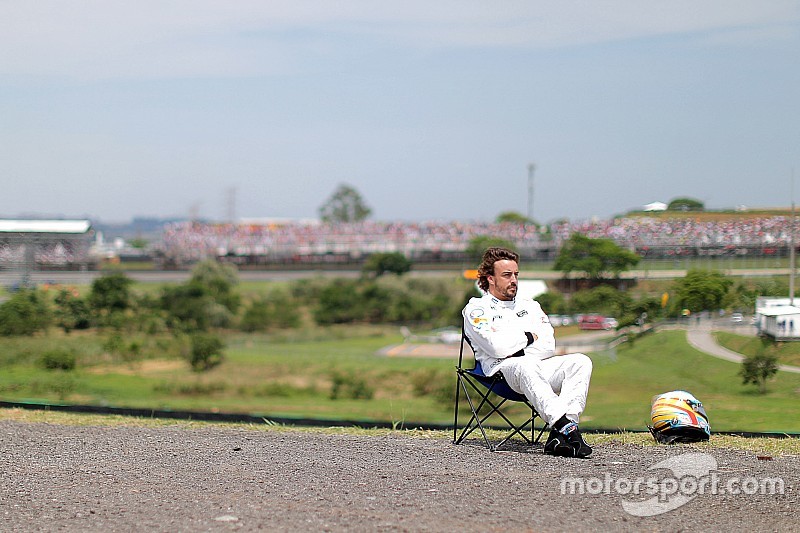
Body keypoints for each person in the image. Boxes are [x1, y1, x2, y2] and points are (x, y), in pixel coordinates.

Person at [462, 247, 593, 458]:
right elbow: (496, 348)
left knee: (580, 361)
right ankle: (569, 430)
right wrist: (529, 336)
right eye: (506, 275)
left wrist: (512, 343)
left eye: (516, 274)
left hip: (535, 367)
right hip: (500, 373)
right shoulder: (477, 309)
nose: (513, 280)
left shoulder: (530, 306)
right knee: (525, 364)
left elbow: (548, 345)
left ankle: (560, 436)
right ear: (491, 279)